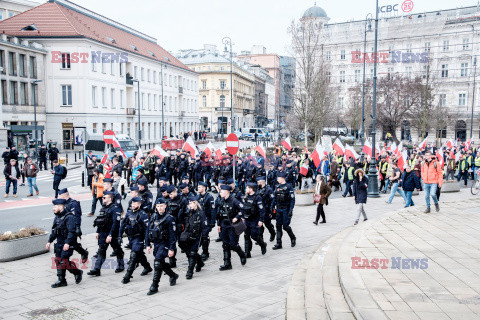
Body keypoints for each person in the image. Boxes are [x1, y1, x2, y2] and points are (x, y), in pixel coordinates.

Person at [46, 199, 83, 288]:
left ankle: (77, 272)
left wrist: (67, 243)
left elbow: (71, 232)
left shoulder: (69, 217)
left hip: (68, 243)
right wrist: (49, 241)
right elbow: (54, 231)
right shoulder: (57, 217)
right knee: (58, 261)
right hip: (59, 243)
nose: (53, 209)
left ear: (61, 206)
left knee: (63, 261)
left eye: (55, 207)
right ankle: (61, 280)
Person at [146, 198, 179, 295]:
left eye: (161, 206)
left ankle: (154, 286)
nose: (160, 208)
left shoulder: (169, 218)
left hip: (165, 244)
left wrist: (171, 248)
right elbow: (148, 231)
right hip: (156, 243)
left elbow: (173, 235)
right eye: (158, 206)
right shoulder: (153, 217)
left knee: (157, 263)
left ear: (165, 206)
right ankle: (173, 275)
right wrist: (147, 244)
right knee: (160, 262)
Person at [87, 191, 125, 276]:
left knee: (117, 249)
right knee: (101, 251)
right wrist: (97, 231)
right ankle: (97, 269)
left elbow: (116, 223)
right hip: (103, 233)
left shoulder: (115, 208)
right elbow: (100, 221)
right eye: (103, 197)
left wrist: (110, 235)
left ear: (110, 198)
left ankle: (121, 265)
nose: (103, 198)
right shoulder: (103, 208)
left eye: (105, 197)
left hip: (112, 233)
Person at [119, 197, 152, 283]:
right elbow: (122, 225)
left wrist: (147, 244)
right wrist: (119, 236)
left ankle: (127, 276)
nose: (133, 205)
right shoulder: (129, 213)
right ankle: (147, 267)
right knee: (139, 254)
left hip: (139, 238)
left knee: (133, 256)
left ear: (139, 204)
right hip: (131, 238)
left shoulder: (143, 215)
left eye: (135, 204)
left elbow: (147, 230)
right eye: (132, 204)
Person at [216, 184, 247, 271]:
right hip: (223, 225)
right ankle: (227, 264)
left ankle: (242, 254)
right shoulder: (221, 201)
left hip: (232, 226)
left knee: (233, 245)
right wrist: (218, 224)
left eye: (221, 192)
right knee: (225, 245)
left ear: (226, 192)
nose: (220, 193)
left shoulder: (234, 201)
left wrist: (237, 217)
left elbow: (243, 208)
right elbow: (219, 214)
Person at [179, 194, 207, 279]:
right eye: (189, 203)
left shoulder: (200, 213)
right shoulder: (188, 212)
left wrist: (204, 238)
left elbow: (204, 227)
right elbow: (181, 220)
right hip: (188, 236)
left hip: (198, 236)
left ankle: (190, 271)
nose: (190, 205)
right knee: (189, 252)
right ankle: (200, 262)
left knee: (192, 253)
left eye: (191, 203)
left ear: (195, 203)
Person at [58, 188, 89, 263]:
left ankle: (65, 259)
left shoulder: (73, 204)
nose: (58, 197)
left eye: (59, 196)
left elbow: (77, 216)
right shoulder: (64, 204)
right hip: (66, 227)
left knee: (71, 243)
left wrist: (77, 227)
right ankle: (84, 252)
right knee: (73, 243)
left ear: (63, 196)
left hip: (72, 227)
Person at [272, 171, 296, 250]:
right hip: (279, 209)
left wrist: (291, 210)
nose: (277, 179)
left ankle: (293, 238)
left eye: (278, 178)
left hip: (286, 209)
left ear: (282, 178)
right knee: (278, 226)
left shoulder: (289, 187)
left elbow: (292, 200)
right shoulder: (277, 186)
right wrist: (272, 207)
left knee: (285, 226)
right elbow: (274, 198)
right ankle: (279, 243)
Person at [243, 182, 268, 258]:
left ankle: (263, 244)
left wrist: (261, 220)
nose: (246, 189)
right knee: (246, 236)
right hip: (247, 220)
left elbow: (262, 210)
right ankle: (247, 252)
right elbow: (244, 208)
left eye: (247, 188)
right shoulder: (246, 197)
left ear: (251, 189)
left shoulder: (258, 198)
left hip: (255, 220)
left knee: (254, 236)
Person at [197, 181, 215, 261]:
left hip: (206, 220)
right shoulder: (197, 196)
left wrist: (212, 222)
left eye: (200, 187)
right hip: (199, 220)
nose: (198, 188)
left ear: (204, 188)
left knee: (205, 237)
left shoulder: (209, 197)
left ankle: (205, 252)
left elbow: (212, 210)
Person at [256, 176, 276, 242]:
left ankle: (273, 233)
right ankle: (260, 238)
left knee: (267, 224)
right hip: (259, 210)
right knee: (259, 225)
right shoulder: (258, 189)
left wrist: (271, 210)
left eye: (258, 182)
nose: (257, 183)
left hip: (266, 210)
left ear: (261, 182)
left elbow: (273, 200)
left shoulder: (269, 189)